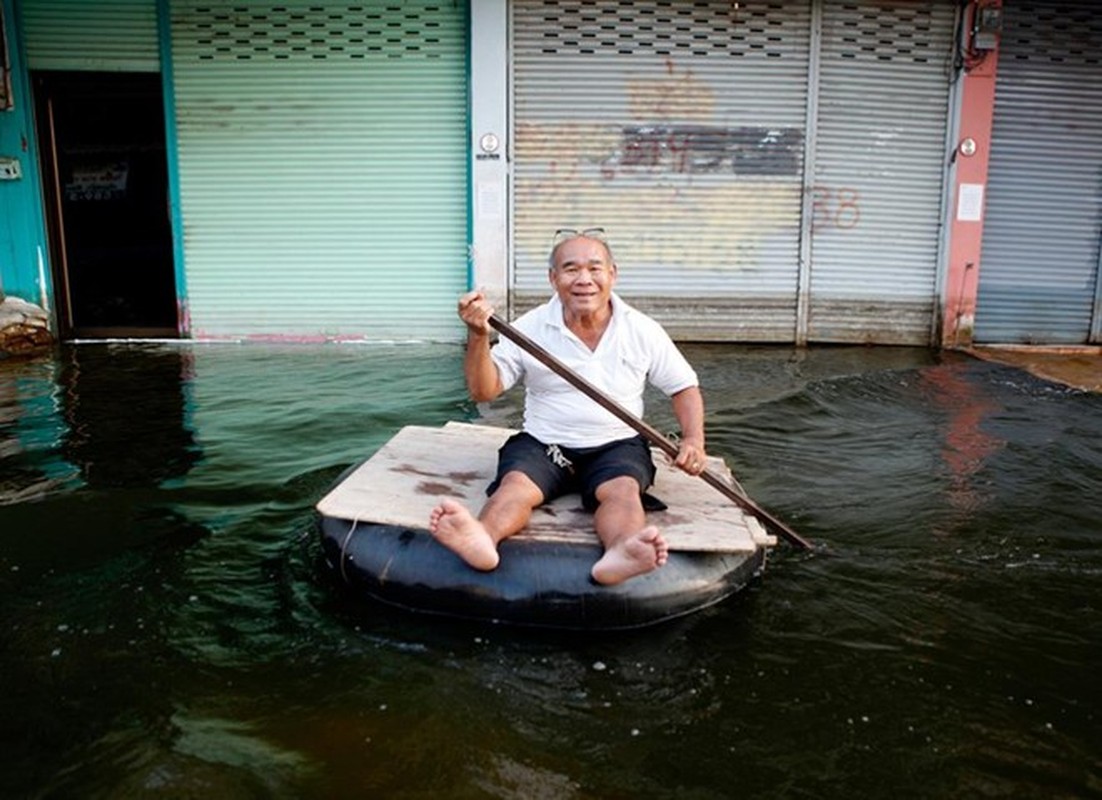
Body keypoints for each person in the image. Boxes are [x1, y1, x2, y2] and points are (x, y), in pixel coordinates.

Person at [429, 228, 708, 586]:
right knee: (515, 486)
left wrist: (693, 440)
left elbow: (683, 387)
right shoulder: (529, 327)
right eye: (571, 269)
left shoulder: (642, 329)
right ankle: (482, 537)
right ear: (553, 278)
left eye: (595, 268)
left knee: (622, 490)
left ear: (613, 274)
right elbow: (484, 391)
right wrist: (479, 336)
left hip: (616, 443)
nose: (584, 280)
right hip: (546, 443)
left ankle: (622, 549)